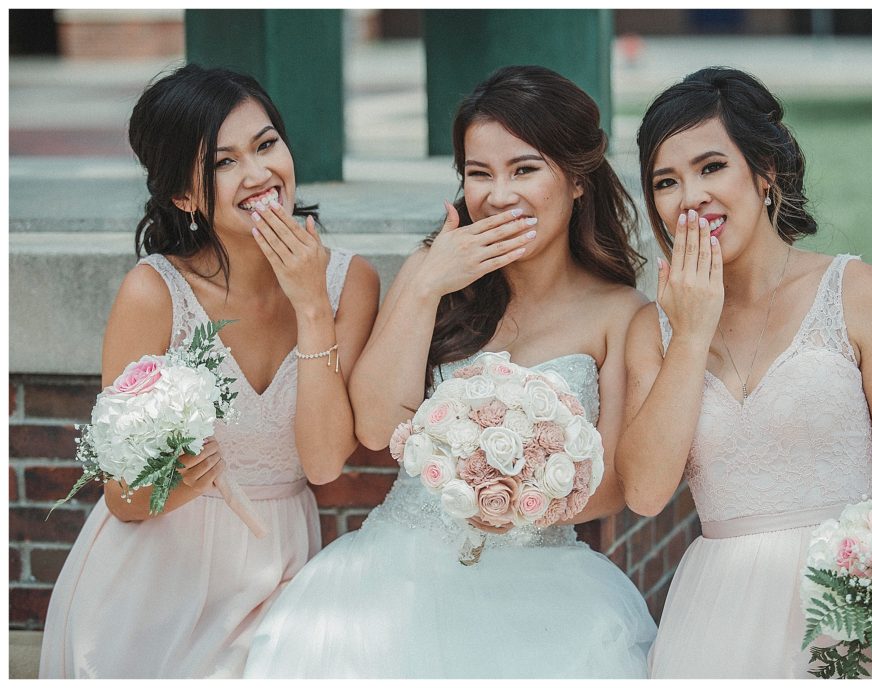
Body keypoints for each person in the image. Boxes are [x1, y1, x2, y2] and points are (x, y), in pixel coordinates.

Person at [244, 65, 657, 679]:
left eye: (525, 169)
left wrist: (518, 505)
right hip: (395, 571)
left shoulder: (622, 315)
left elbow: (619, 485)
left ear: (575, 179)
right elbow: (379, 426)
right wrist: (429, 283)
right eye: (478, 173)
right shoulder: (430, 276)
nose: (499, 194)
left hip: (543, 592)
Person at [38, 64, 379, 678]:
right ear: (183, 194)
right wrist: (184, 478)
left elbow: (326, 463)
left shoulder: (350, 283)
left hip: (280, 570)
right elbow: (122, 497)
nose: (258, 175)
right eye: (223, 163)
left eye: (266, 144)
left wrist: (310, 307)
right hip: (152, 589)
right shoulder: (153, 294)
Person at [616, 67, 872, 678]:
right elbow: (645, 492)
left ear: (765, 173)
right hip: (717, 621)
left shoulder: (859, 294)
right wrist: (690, 333)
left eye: (711, 167)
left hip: (852, 608)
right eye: (667, 181)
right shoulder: (652, 330)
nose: (690, 198)